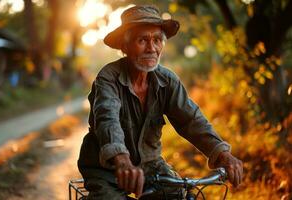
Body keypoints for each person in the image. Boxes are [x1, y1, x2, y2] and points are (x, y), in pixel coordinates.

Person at [78, 4, 243, 200]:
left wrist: (222, 153)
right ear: (125, 45)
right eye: (142, 40)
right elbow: (107, 118)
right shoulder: (108, 77)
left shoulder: (167, 80)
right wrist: (121, 159)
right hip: (106, 169)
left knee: (177, 195)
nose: (151, 48)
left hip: (151, 166)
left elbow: (191, 120)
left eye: (157, 40)